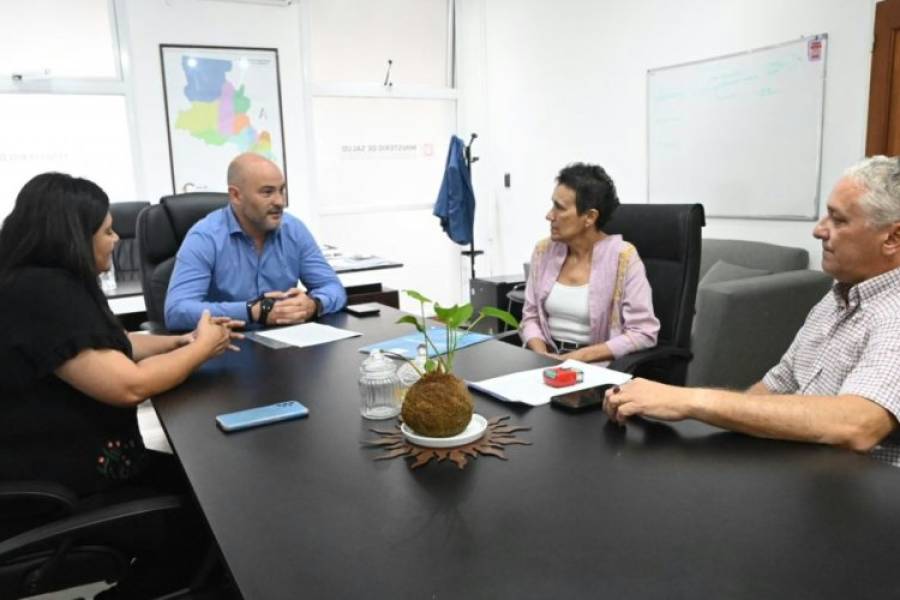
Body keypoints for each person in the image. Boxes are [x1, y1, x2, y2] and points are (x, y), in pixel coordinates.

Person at [0, 172, 243, 597]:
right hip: (56, 492)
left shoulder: (37, 284)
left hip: (63, 471)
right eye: (107, 230)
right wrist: (202, 348)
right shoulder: (44, 292)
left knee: (214, 483)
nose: (116, 240)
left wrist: (179, 341)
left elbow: (107, 345)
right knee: (215, 519)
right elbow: (128, 386)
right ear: (73, 235)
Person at [604, 156, 900, 460]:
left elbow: (858, 425)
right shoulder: (835, 298)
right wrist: (715, 430)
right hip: (804, 471)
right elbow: (776, 386)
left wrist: (687, 400)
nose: (819, 231)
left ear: (892, 237)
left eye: (839, 221)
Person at [165, 152, 347, 331]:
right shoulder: (205, 237)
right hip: (225, 346)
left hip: (285, 345)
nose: (280, 201)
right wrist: (252, 311)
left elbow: (333, 287)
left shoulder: (293, 230)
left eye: (281, 190)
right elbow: (177, 311)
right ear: (236, 195)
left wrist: (314, 305)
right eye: (267, 192)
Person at [519, 162, 660, 364]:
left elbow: (644, 332)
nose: (549, 215)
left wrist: (577, 358)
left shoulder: (624, 257)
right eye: (552, 205)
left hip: (594, 368)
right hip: (544, 362)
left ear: (589, 217)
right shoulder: (544, 251)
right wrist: (543, 356)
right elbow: (530, 316)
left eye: (559, 208)